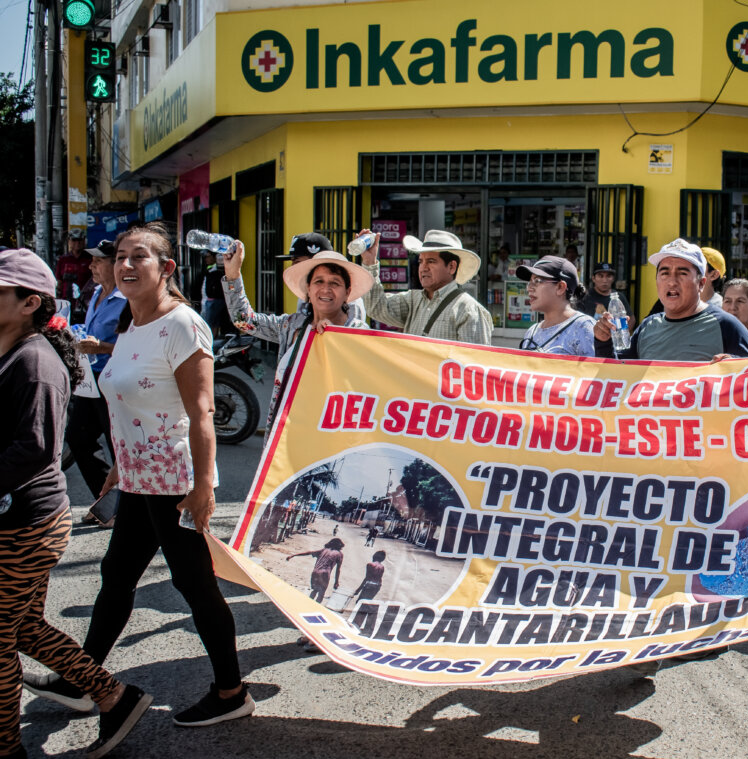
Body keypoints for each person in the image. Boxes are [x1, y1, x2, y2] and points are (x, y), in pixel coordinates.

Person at [25, 223, 255, 728]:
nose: (126, 265)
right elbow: (127, 403)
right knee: (116, 578)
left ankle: (231, 691)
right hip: (138, 478)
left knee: (195, 586)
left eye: (140, 257)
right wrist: (118, 471)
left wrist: (202, 488)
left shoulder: (183, 324)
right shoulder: (131, 324)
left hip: (174, 481)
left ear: (166, 268)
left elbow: (200, 414)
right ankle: (83, 679)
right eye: (122, 257)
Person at [0, 250, 152, 759]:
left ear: (29, 304)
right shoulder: (13, 348)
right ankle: (114, 696)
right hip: (15, 517)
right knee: (19, 628)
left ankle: (6, 752)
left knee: (2, 631)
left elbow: (35, 450)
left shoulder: (35, 363)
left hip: (26, 523)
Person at [223, 241, 372, 435]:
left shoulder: (358, 331)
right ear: (308, 290)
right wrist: (233, 274)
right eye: (319, 282)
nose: (326, 289)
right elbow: (243, 320)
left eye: (335, 283)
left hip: (333, 440)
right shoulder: (290, 325)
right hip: (287, 436)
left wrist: (335, 340)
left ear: (347, 293)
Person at [594, 238, 748, 362]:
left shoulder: (728, 327)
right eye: (664, 273)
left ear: (701, 283)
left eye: (682, 273)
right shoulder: (647, 328)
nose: (672, 281)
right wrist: (603, 341)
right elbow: (619, 379)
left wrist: (735, 367)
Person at [65, 239, 127, 501]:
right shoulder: (96, 293)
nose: (91, 265)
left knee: (118, 448)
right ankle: (107, 502)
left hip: (115, 380)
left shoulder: (127, 299)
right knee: (78, 439)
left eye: (98, 261)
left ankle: (123, 507)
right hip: (90, 380)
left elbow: (137, 345)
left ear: (115, 265)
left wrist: (101, 347)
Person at [360, 229, 493, 345]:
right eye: (421, 261)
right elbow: (376, 307)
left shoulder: (468, 310)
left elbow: (472, 365)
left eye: (431, 261)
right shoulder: (412, 300)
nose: (423, 268)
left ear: (452, 267)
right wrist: (369, 262)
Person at [517, 256, 595, 356]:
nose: (529, 288)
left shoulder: (582, 327)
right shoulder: (532, 331)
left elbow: (597, 370)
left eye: (537, 281)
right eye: (530, 283)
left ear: (560, 287)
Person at [288, 537, 345, 604]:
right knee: (321, 593)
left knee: (314, 590)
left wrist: (294, 555)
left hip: (315, 572)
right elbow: (338, 569)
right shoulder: (339, 554)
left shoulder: (324, 550)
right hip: (325, 574)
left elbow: (309, 553)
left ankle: (307, 605)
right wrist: (336, 582)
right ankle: (315, 607)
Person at [578, 262, 634, 326]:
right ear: (593, 278)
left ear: (613, 279)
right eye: (600, 276)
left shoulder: (618, 297)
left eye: (609, 276)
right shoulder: (584, 297)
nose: (604, 280)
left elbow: (631, 319)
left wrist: (620, 333)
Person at [55, 231, 93, 323]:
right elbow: (59, 281)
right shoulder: (63, 259)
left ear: (84, 241)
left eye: (80, 240)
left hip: (86, 302)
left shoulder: (90, 259)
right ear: (69, 241)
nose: (77, 243)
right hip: (67, 301)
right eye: (74, 240)